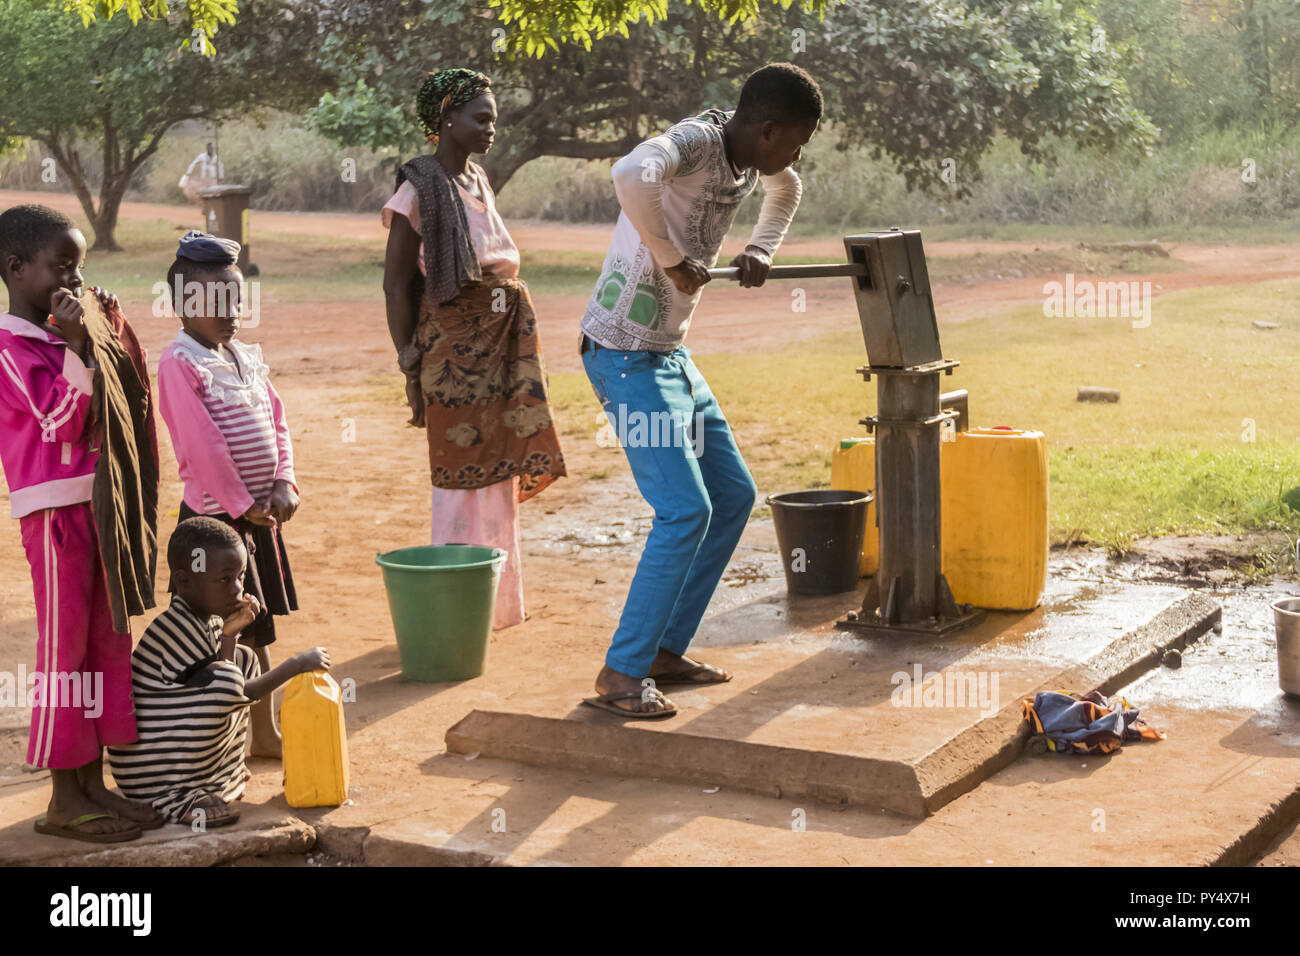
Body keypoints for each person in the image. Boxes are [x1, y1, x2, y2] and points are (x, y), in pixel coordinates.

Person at [579, 63, 822, 718]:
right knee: (685, 509)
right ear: (767, 128)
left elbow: (788, 187)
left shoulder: (758, 165)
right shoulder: (693, 141)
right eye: (793, 142)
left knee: (733, 496)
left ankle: (662, 651)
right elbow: (629, 175)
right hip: (623, 355)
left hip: (669, 355)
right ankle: (621, 673)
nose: (793, 158)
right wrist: (671, 260)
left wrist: (763, 247)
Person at [0, 203, 164, 841]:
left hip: (96, 506)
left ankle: (95, 784)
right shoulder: (12, 348)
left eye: (81, 269)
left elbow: (118, 394)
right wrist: (76, 348)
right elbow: (60, 422)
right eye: (60, 268)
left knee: (103, 644)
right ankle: (63, 798)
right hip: (53, 517)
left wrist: (108, 329)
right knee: (63, 652)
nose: (73, 283)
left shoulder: (57, 336)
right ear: (16, 269)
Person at [382, 68, 566, 630]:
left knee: (502, 468)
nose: (491, 128)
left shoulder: (478, 180)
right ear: (446, 119)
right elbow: (396, 283)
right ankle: (459, 610)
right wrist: (409, 358)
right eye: (480, 118)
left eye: (494, 118)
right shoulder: (418, 189)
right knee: (463, 475)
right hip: (454, 350)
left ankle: (498, 608)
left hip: (502, 343)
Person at [155, 230, 299, 757]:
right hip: (218, 528)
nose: (230, 311)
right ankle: (203, 740)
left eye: (236, 299)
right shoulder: (181, 364)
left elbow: (277, 420)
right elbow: (204, 448)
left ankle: (262, 735)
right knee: (210, 633)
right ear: (181, 305)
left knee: (256, 629)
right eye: (215, 302)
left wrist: (285, 480)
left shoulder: (244, 356)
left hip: (257, 521)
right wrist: (245, 506)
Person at [107, 517, 330, 826]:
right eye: (225, 580)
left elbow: (218, 673)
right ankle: (180, 799)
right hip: (152, 776)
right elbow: (226, 689)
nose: (238, 588)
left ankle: (216, 778)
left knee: (244, 659)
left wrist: (229, 636)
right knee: (230, 678)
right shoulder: (173, 628)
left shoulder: (205, 617)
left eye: (240, 576)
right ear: (184, 582)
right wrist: (296, 664)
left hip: (175, 751)